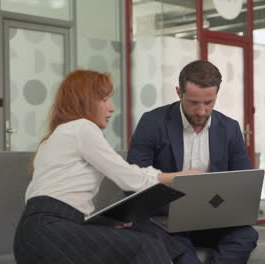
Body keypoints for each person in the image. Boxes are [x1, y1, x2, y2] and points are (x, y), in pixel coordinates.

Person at [13, 70, 199, 264]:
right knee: (144, 244)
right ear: (84, 101)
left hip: (33, 236)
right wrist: (179, 177)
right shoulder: (82, 128)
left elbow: (61, 199)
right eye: (104, 100)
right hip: (51, 232)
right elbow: (129, 178)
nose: (111, 109)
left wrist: (104, 222)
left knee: (146, 237)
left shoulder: (55, 137)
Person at [127, 60, 258, 264]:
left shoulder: (229, 128)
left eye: (209, 102)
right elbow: (133, 181)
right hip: (164, 221)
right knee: (180, 249)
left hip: (212, 219)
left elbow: (243, 183)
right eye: (194, 103)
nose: (202, 111)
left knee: (246, 235)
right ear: (179, 93)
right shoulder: (152, 123)